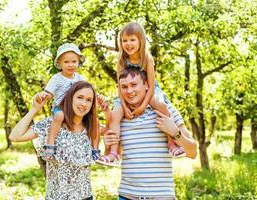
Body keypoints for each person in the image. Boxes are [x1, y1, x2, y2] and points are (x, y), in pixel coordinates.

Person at [97, 22, 185, 166]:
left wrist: (143, 106)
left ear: (141, 41)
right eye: (125, 40)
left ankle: (172, 144)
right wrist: (124, 107)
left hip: (149, 89)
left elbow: (151, 86)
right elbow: (120, 85)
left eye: (132, 40)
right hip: (126, 91)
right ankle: (114, 153)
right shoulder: (121, 60)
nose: (128, 44)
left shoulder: (147, 58)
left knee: (161, 105)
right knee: (115, 114)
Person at [103, 67, 197, 199]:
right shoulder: (120, 116)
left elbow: (193, 152)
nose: (129, 91)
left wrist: (174, 132)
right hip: (127, 195)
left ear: (147, 85)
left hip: (161, 196)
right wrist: (107, 145)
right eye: (124, 87)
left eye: (134, 85)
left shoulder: (166, 110)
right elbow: (112, 156)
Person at [9, 81, 100, 200]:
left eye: (89, 100)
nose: (84, 103)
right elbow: (15, 136)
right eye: (80, 97)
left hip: (85, 196)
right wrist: (34, 110)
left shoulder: (91, 127)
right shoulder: (52, 124)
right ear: (70, 98)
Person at [36, 43, 100, 159]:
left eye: (74, 62)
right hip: (60, 108)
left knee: (94, 120)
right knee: (59, 116)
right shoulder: (57, 78)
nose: (70, 65)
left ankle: (94, 149)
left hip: (76, 109)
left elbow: (88, 90)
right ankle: (50, 143)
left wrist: (98, 96)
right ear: (60, 64)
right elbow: (49, 93)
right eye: (66, 62)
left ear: (78, 62)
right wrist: (44, 94)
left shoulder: (79, 78)